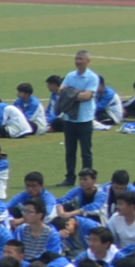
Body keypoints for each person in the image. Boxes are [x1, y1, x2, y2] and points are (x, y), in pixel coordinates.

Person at [55, 50, 101, 186]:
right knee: (70, 151)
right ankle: (70, 178)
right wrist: (77, 94)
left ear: (88, 61)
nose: (78, 61)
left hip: (85, 119)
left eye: (81, 59)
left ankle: (88, 179)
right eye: (77, 58)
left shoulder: (92, 77)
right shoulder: (70, 75)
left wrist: (70, 93)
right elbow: (61, 91)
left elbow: (87, 96)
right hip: (70, 119)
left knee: (86, 152)